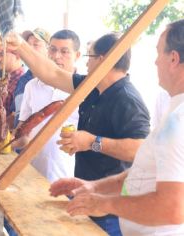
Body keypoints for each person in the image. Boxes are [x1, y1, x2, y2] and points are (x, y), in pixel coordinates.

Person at [6, 32, 150, 235]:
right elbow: (52, 74)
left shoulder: (127, 99)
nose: (86, 64)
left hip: (111, 211)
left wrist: (92, 142)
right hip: (88, 196)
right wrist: (20, 46)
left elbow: (140, 149)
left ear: (102, 60)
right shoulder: (92, 87)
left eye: (89, 57)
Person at [50, 19, 184, 236]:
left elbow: (173, 208)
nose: (155, 62)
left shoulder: (177, 121)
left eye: (159, 53)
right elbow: (143, 171)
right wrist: (94, 188)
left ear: (173, 58)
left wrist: (105, 204)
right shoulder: (174, 110)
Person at [14, 29, 80, 182]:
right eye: (53, 49)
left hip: (68, 178)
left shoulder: (85, 89)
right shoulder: (31, 86)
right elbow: (23, 132)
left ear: (77, 55)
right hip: (32, 173)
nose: (57, 56)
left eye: (64, 51)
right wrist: (7, 141)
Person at [12, 28, 50, 128]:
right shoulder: (23, 79)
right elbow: (15, 115)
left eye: (36, 45)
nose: (30, 48)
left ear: (49, 49)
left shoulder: (54, 81)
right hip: (20, 141)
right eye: (28, 45)